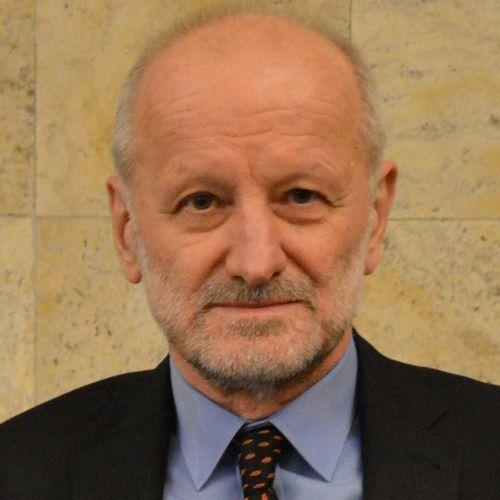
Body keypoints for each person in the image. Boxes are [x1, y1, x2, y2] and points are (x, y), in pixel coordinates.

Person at [1, 5, 498, 500]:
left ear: (375, 217)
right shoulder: (16, 470)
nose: (256, 264)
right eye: (201, 202)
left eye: (301, 196)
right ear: (126, 228)